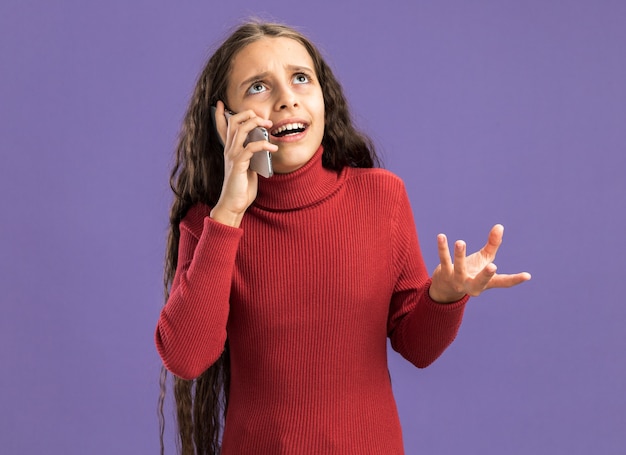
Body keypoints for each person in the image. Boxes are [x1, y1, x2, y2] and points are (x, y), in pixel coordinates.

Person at [155, 20, 531, 455]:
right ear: (226, 120)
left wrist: (445, 296)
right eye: (259, 87)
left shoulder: (382, 197)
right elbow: (185, 356)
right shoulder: (210, 225)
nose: (287, 98)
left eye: (301, 78)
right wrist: (230, 211)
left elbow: (418, 348)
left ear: (323, 97)